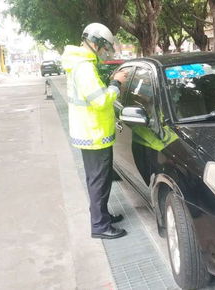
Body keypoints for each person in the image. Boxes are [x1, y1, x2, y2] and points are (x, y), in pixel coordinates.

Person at [62, 23, 128, 240]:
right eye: (103, 47)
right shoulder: (84, 68)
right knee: (99, 181)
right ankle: (100, 225)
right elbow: (100, 100)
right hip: (94, 132)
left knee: (99, 179)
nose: (104, 52)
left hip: (90, 131)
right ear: (96, 43)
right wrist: (116, 85)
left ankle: (103, 216)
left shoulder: (80, 64)